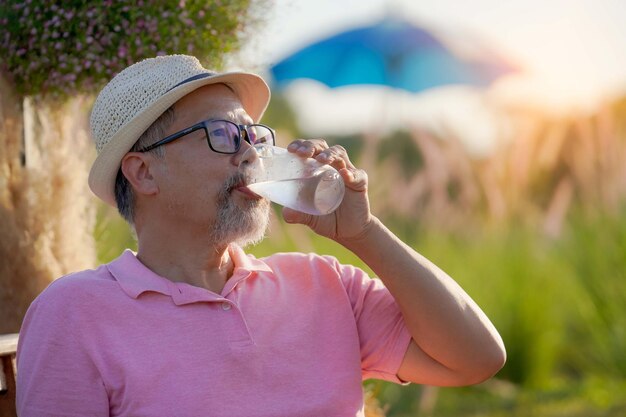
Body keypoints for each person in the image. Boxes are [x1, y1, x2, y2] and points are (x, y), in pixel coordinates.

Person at [16, 55, 505, 416]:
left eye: (254, 137)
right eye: (224, 136)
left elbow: (476, 359)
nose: (251, 155)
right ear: (143, 173)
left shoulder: (324, 284)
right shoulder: (75, 313)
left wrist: (364, 233)